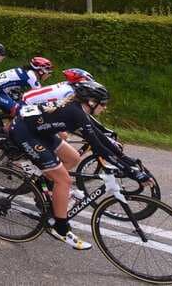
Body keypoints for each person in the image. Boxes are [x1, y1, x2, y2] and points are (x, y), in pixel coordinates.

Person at [10, 81, 153, 250]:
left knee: (73, 158)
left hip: (40, 131)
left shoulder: (79, 110)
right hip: (24, 132)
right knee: (64, 180)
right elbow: (99, 148)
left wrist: (128, 161)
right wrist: (132, 173)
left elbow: (101, 138)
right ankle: (60, 228)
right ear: (91, 102)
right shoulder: (76, 112)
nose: (105, 107)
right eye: (103, 104)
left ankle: (49, 189)